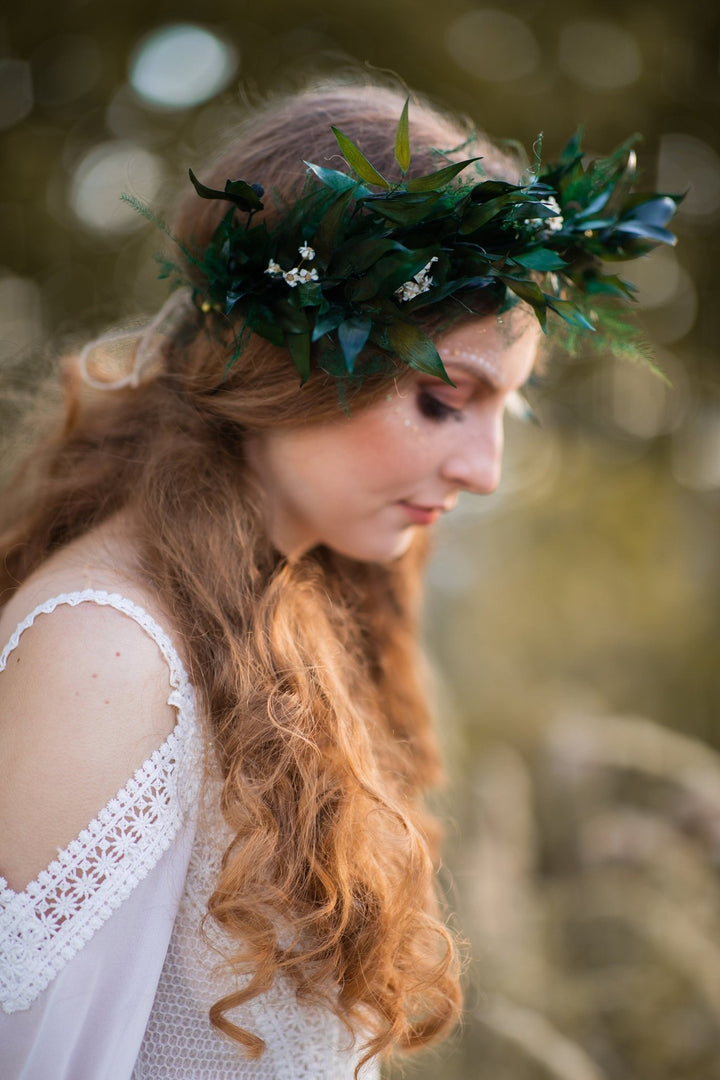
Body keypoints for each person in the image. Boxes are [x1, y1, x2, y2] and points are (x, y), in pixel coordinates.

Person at [0, 79, 677, 1079]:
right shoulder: (104, 655)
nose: (484, 470)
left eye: (509, 413)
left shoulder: (289, 601)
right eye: (446, 399)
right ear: (292, 360)